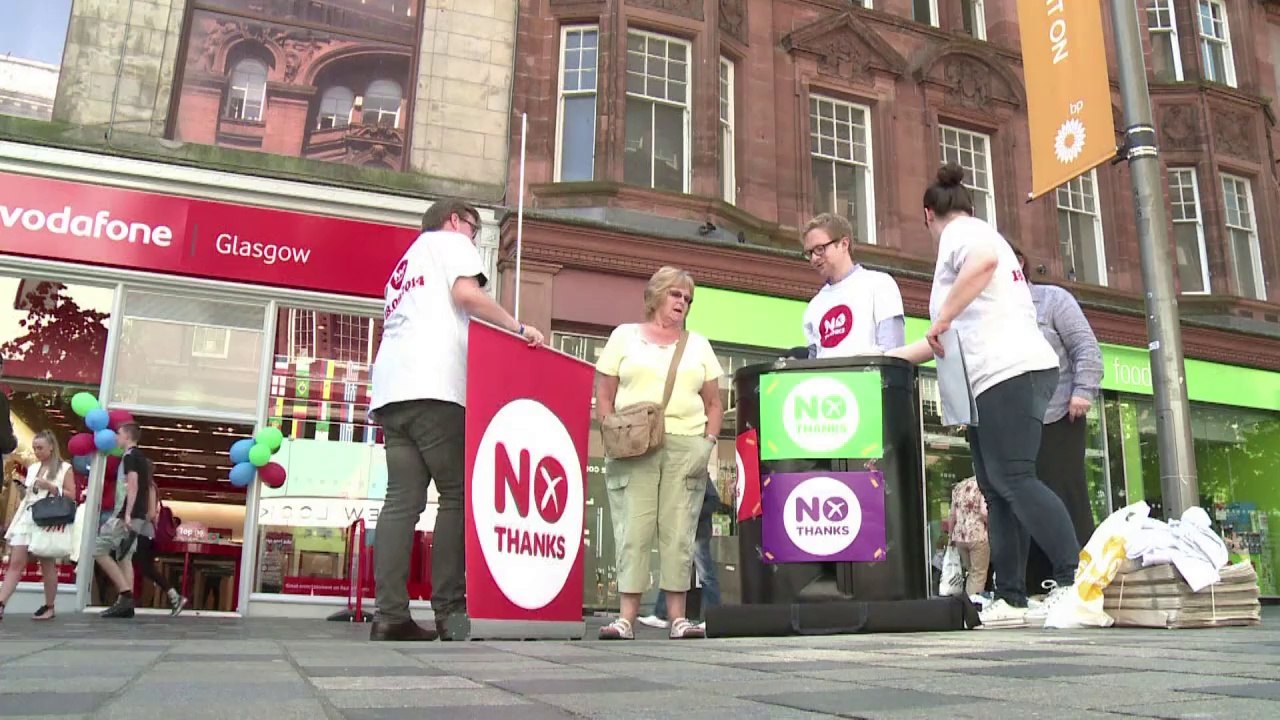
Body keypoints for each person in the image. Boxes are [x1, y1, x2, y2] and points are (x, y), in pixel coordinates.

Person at [888, 164, 1081, 629]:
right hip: (992, 379)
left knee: (1014, 477)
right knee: (997, 489)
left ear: (928, 215)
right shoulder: (975, 236)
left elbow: (981, 268)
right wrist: (884, 357)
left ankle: (1074, 580)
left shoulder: (962, 233)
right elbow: (940, 340)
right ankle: (1011, 596)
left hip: (1007, 372)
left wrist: (942, 317)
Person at [368, 199, 545, 642]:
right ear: (454, 220)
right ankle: (451, 612)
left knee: (401, 501)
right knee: (457, 495)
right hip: (436, 385)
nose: (474, 237)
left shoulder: (404, 264)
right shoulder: (449, 243)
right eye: (474, 228)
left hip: (392, 390)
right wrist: (518, 327)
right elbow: (467, 295)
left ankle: (389, 614)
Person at [595, 266, 724, 640]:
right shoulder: (624, 337)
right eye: (676, 295)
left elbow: (714, 403)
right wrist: (611, 431)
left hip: (685, 445)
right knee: (633, 529)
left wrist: (709, 444)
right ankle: (626, 618)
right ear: (656, 295)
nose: (682, 302)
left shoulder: (697, 344)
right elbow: (604, 394)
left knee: (679, 533)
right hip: (634, 445)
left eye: (687, 298)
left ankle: (677, 618)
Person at [1010, 244, 1104, 595]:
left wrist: (1083, 391)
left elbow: (1086, 348)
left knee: (1063, 493)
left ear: (1019, 262)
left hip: (1059, 413)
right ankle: (1034, 583)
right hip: (1017, 421)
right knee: (1022, 503)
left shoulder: (1053, 300)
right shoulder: (993, 310)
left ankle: (1078, 579)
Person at [800, 213, 906, 357]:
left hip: (870, 378)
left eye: (820, 249)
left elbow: (893, 353)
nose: (814, 258)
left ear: (844, 244)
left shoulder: (880, 284)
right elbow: (812, 364)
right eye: (809, 253)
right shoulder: (813, 306)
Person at [637, 469, 728, 630]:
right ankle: (661, 613)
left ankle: (711, 616)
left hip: (697, 532)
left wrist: (692, 513)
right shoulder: (678, 474)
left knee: (704, 574)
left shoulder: (699, 474)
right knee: (674, 571)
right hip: (682, 531)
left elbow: (714, 501)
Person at [0, 430, 74, 621]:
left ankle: (49, 606)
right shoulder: (33, 468)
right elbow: (30, 496)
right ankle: (1, 603)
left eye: (40, 448)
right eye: (34, 448)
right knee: (16, 562)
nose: (37, 452)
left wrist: (50, 486)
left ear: (51, 447)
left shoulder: (64, 468)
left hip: (47, 517)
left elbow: (71, 495)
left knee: (46, 561)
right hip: (28, 514)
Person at [122, 430, 187, 616]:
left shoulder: (148, 487)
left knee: (141, 566)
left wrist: (134, 518)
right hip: (144, 531)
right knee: (142, 566)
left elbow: (151, 513)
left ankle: (172, 596)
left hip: (143, 531)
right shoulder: (147, 487)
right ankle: (170, 596)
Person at [95, 422, 155, 619]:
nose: (116, 437)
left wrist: (126, 513)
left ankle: (125, 594)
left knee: (99, 549)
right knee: (125, 557)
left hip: (125, 514)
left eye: (118, 434)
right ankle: (126, 604)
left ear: (127, 436)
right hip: (135, 515)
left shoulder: (129, 456)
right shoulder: (141, 457)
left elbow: (133, 484)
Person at [947, 475, 990, 601]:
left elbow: (952, 515)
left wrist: (950, 537)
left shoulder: (959, 487)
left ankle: (965, 605)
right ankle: (972, 609)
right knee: (978, 575)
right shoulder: (983, 485)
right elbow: (984, 512)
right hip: (978, 535)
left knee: (971, 573)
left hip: (960, 536)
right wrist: (991, 526)